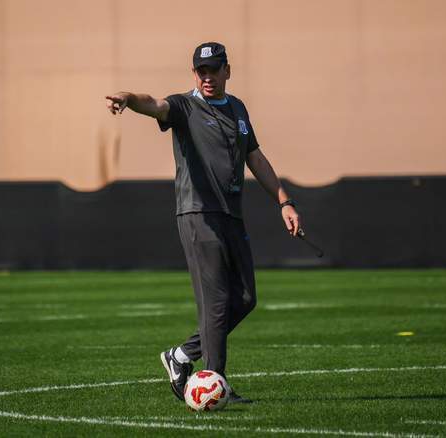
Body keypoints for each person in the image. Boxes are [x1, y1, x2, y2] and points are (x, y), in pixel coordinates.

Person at [105, 42, 301, 403]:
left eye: (214, 69)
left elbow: (255, 158)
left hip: (232, 214)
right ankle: (215, 381)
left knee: (246, 298)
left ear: (228, 70)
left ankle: (180, 356)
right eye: (201, 71)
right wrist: (128, 98)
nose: (207, 77)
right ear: (194, 74)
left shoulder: (238, 108)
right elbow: (154, 104)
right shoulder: (184, 106)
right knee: (216, 300)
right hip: (198, 214)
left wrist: (284, 202)